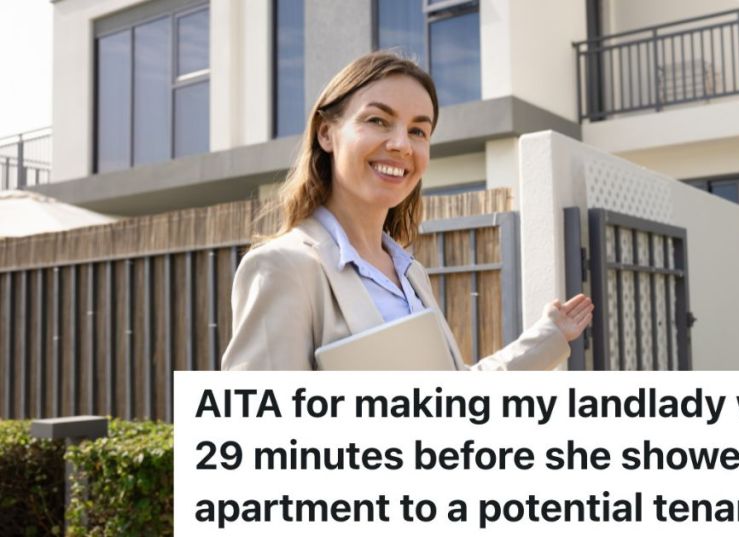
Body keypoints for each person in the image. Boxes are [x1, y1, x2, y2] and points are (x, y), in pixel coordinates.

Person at [221, 51, 593, 371]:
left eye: (418, 131)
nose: (401, 144)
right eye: (377, 120)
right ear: (326, 134)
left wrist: (548, 337)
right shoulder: (283, 267)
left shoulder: (410, 273)